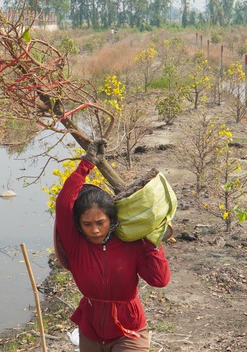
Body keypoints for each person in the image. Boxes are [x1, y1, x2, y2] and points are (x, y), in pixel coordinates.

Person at [54, 138, 171, 352]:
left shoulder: (132, 243)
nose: (95, 230)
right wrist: (86, 164)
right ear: (78, 225)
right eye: (87, 224)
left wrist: (154, 243)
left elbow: (159, 280)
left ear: (111, 220)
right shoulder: (76, 245)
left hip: (129, 330)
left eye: (100, 223)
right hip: (91, 330)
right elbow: (63, 203)